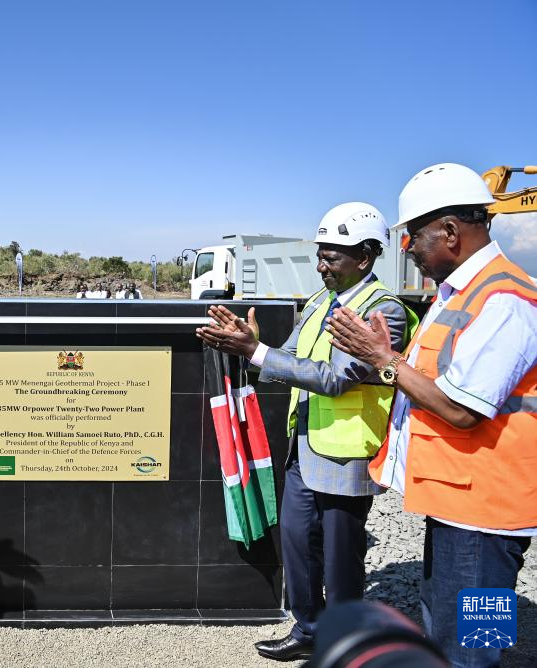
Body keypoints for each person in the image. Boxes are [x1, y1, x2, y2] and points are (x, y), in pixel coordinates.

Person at [327, 163, 537, 668]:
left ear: (449, 232)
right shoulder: (460, 294)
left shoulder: (503, 300)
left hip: (485, 515)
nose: (406, 248)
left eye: (413, 236)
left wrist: (383, 359)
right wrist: (389, 360)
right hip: (462, 503)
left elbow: (462, 411)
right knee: (453, 634)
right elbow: (433, 382)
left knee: (470, 649)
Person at [196, 202, 416, 662]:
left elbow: (336, 379)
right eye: (320, 255)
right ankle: (309, 628)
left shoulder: (384, 312)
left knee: (340, 558)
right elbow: (291, 358)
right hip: (304, 447)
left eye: (331, 257)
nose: (321, 266)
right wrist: (248, 346)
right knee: (299, 546)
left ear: (366, 256)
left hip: (345, 452)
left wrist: (257, 352)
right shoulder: (320, 301)